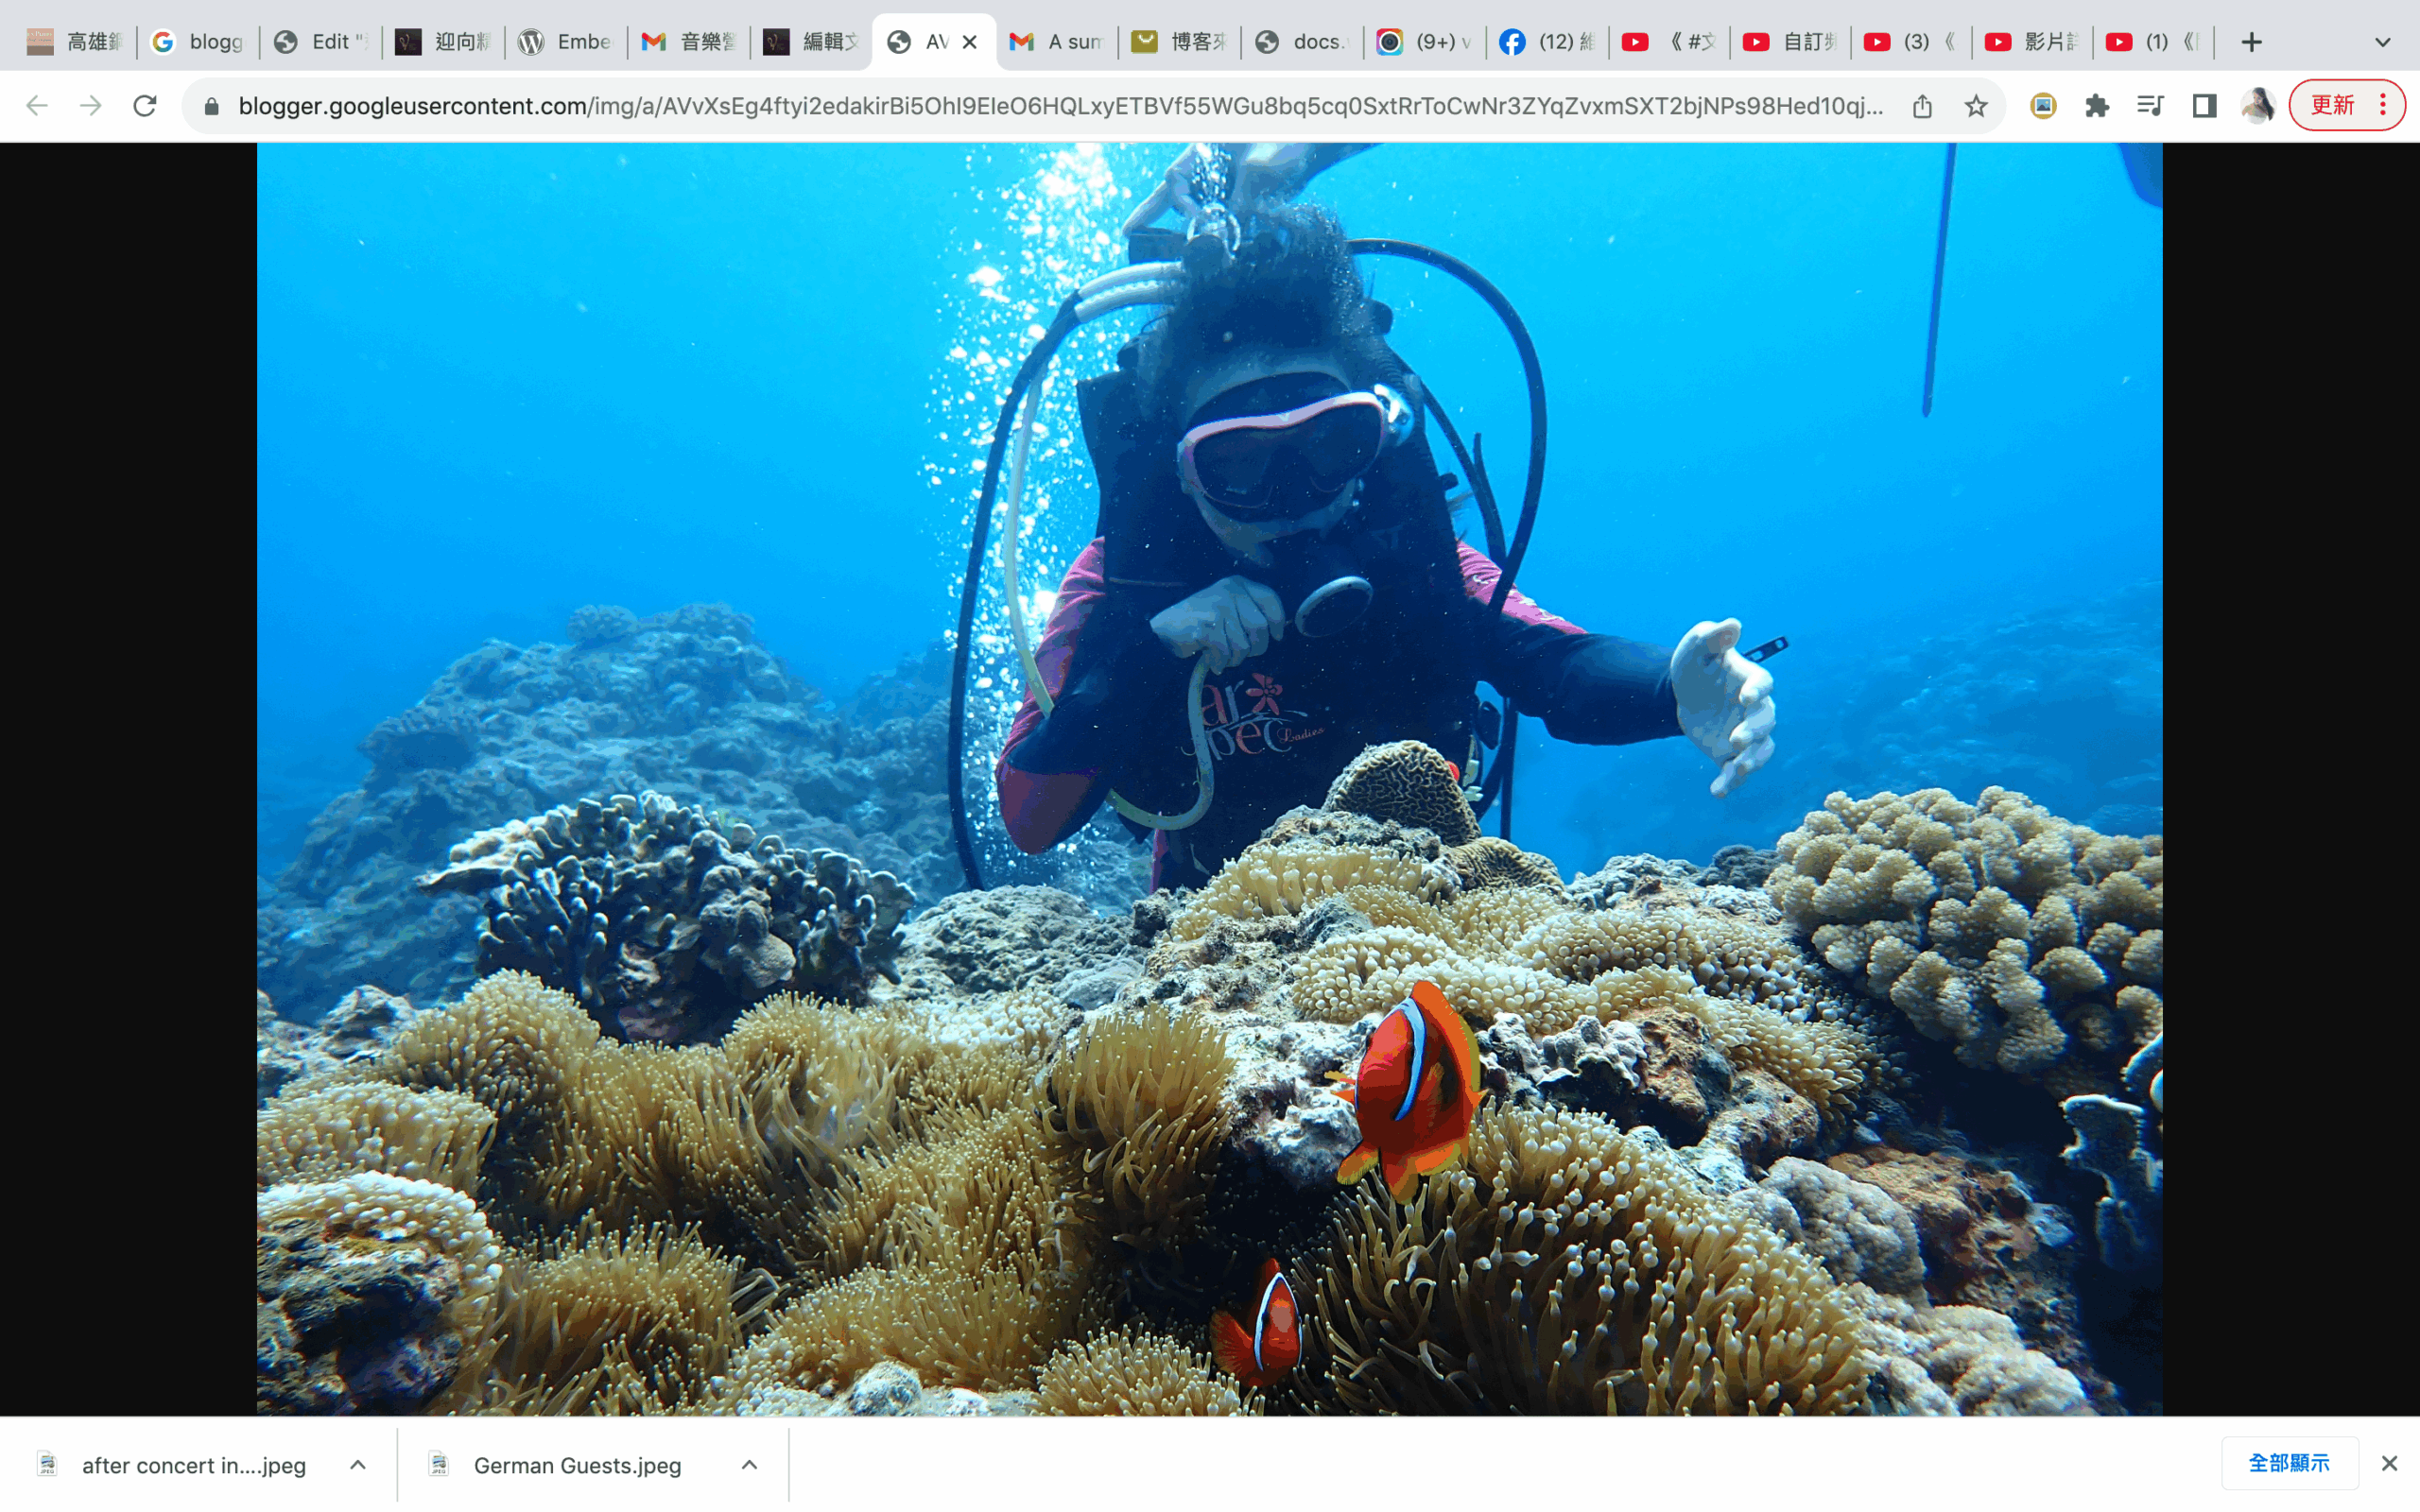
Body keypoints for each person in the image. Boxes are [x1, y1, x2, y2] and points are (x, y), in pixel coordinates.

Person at [994, 172, 1774, 891]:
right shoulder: (1126, 583)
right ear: (1181, 473)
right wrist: (1150, 652)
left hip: (1418, 898)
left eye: (1330, 446)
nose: (1294, 498)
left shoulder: (1412, 563)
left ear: (1376, 445)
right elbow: (1029, 817)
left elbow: (1555, 663)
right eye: (1240, 465)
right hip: (1203, 924)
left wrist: (1675, 689)